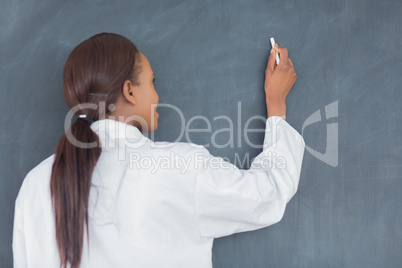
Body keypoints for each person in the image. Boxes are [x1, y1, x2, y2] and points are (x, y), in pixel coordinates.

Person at [12, 32, 305, 268]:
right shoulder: (179, 167)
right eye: (152, 82)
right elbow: (268, 193)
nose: (157, 95)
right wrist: (276, 104)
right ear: (129, 91)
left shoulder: (35, 186)